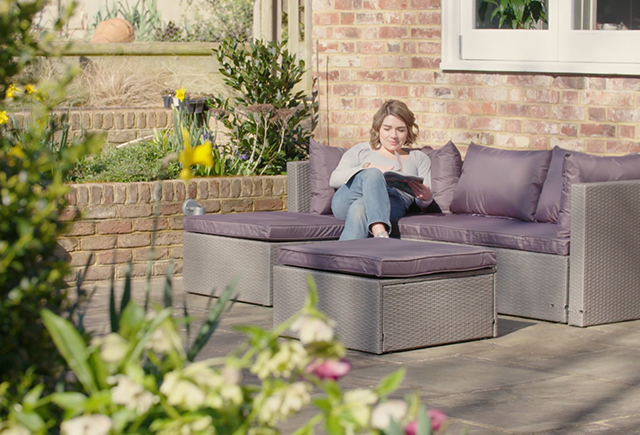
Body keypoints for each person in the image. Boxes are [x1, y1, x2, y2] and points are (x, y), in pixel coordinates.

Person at [329, 99, 433, 241]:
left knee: (360, 208)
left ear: (408, 132)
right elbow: (334, 179)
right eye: (387, 128)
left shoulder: (419, 158)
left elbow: (422, 203)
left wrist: (426, 197)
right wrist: (368, 168)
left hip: (392, 203)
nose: (393, 135)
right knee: (373, 174)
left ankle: (342, 260)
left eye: (400, 130)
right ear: (378, 129)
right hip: (345, 201)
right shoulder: (362, 151)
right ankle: (380, 231)